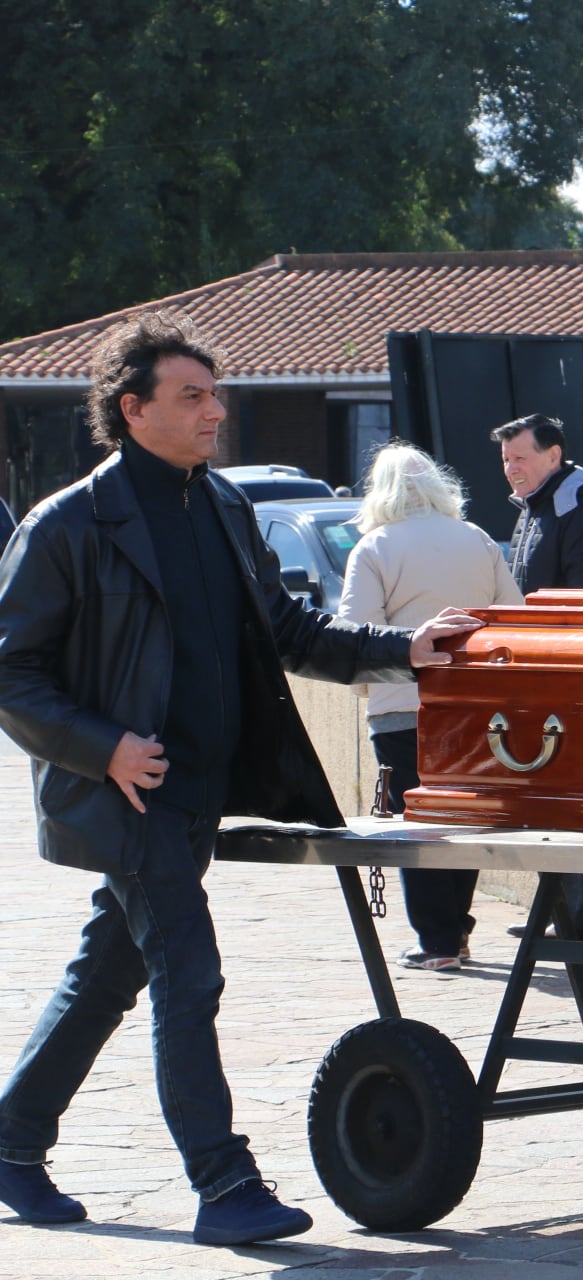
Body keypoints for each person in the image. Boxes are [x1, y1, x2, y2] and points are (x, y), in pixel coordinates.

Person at [0, 311, 482, 1244]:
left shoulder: (223, 506)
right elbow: (11, 669)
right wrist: (102, 748)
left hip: (200, 791)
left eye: (215, 394)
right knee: (190, 971)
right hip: (127, 791)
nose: (215, 411)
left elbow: (291, 634)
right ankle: (224, 1186)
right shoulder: (69, 524)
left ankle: (12, 1139)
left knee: (110, 972)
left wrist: (407, 651)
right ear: (132, 409)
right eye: (193, 397)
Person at [340, 441, 523, 971]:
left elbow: (356, 633)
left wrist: (364, 692)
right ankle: (457, 931)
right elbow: (509, 616)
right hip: (474, 708)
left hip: (403, 704)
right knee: (460, 818)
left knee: (415, 821)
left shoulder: (375, 547)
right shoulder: (478, 539)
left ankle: (435, 940)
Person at [492, 413, 583, 941]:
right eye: (506, 460)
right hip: (539, 667)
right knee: (546, 797)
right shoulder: (538, 504)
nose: (511, 469)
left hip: (569, 673)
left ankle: (575, 921)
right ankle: (555, 912)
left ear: (553, 455)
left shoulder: (578, 504)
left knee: (568, 797)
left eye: (521, 457)